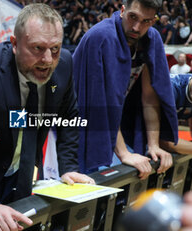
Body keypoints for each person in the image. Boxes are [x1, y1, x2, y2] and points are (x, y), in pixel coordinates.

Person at [0, 3, 95, 231]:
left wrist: (68, 167)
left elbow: (69, 116)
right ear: (14, 44)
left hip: (20, 175)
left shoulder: (64, 64)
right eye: (38, 48)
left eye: (55, 48)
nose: (48, 59)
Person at [72, 0, 178, 179]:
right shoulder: (100, 37)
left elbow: (150, 97)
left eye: (146, 21)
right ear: (122, 10)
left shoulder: (151, 39)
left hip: (114, 122)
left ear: (153, 21)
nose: (136, 27)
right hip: (79, 122)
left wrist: (153, 145)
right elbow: (100, 103)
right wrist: (124, 154)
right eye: (133, 17)